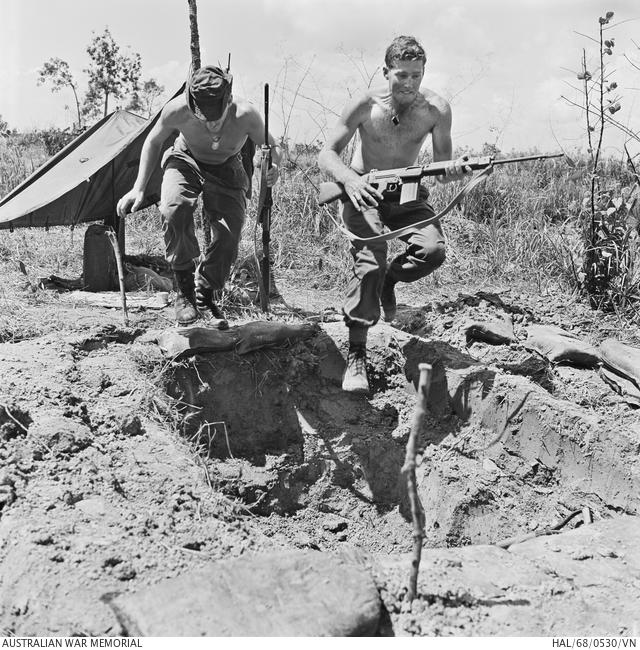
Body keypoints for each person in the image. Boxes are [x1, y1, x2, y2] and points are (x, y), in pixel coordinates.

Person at [318, 35, 471, 393]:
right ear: (385, 71)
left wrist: (458, 171)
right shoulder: (365, 104)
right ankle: (357, 352)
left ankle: (389, 280)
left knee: (433, 251)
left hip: (406, 193)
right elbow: (326, 154)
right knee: (370, 260)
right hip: (363, 189)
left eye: (416, 75)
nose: (409, 84)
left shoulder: (436, 109)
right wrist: (349, 182)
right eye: (401, 75)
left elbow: (441, 166)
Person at [117, 65, 281, 327]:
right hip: (185, 159)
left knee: (229, 234)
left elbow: (271, 145)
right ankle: (184, 293)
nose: (211, 122)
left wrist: (273, 167)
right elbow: (153, 141)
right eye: (203, 115)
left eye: (217, 114)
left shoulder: (246, 115)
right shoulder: (177, 110)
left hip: (228, 166)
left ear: (228, 99)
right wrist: (138, 187)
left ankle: (205, 293)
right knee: (174, 208)